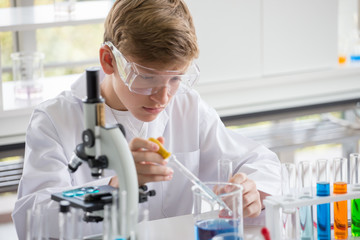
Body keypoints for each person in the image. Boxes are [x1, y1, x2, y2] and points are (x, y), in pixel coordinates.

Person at [12, 0, 281, 239]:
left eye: (175, 78)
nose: (162, 98)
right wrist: (115, 186)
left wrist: (250, 190)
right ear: (109, 61)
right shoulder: (54, 119)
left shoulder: (187, 106)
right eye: (148, 78)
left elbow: (262, 162)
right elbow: (31, 220)